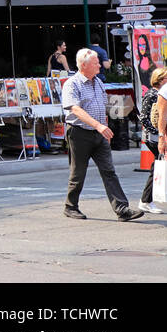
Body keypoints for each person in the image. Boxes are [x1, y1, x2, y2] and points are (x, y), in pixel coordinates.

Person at [61, 48, 143, 221]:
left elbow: (102, 106)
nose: (100, 64)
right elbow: (75, 109)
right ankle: (70, 206)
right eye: (96, 62)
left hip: (99, 133)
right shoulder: (72, 84)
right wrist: (98, 125)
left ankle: (122, 209)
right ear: (84, 65)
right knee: (78, 173)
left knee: (109, 171)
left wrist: (106, 124)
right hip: (79, 133)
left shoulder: (98, 81)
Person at [137, 68, 167, 214]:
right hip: (154, 137)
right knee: (158, 165)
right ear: (161, 79)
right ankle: (145, 200)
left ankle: (145, 200)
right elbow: (144, 117)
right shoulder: (153, 94)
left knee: (157, 165)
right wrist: (158, 133)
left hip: (157, 136)